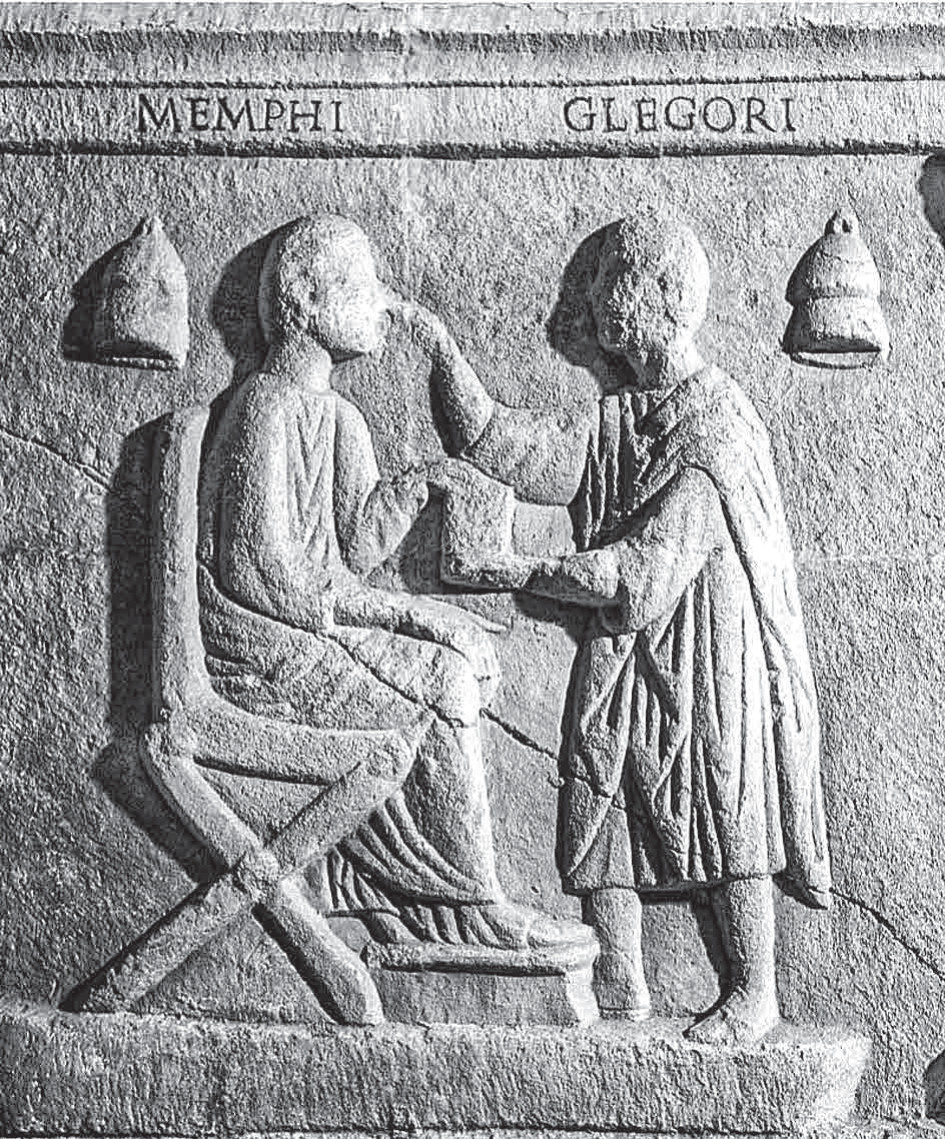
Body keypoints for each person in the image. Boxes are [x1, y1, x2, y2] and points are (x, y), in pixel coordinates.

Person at [401, 213, 831, 1045]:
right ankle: (617, 981)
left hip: (703, 649)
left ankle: (753, 989)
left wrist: (510, 566)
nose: (593, 298)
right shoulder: (618, 416)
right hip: (624, 646)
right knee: (603, 794)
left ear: (665, 295)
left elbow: (639, 575)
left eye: (608, 280)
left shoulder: (716, 425)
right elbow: (503, 444)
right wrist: (436, 346)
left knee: (720, 799)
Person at [196, 214, 590, 973]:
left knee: (459, 659)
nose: (383, 301)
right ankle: (470, 908)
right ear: (305, 299)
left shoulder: (340, 416)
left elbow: (353, 552)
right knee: (443, 676)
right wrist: (412, 615)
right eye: (362, 285)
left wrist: (423, 485)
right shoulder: (264, 407)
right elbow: (260, 572)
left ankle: (397, 892)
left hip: (314, 627)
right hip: (261, 646)